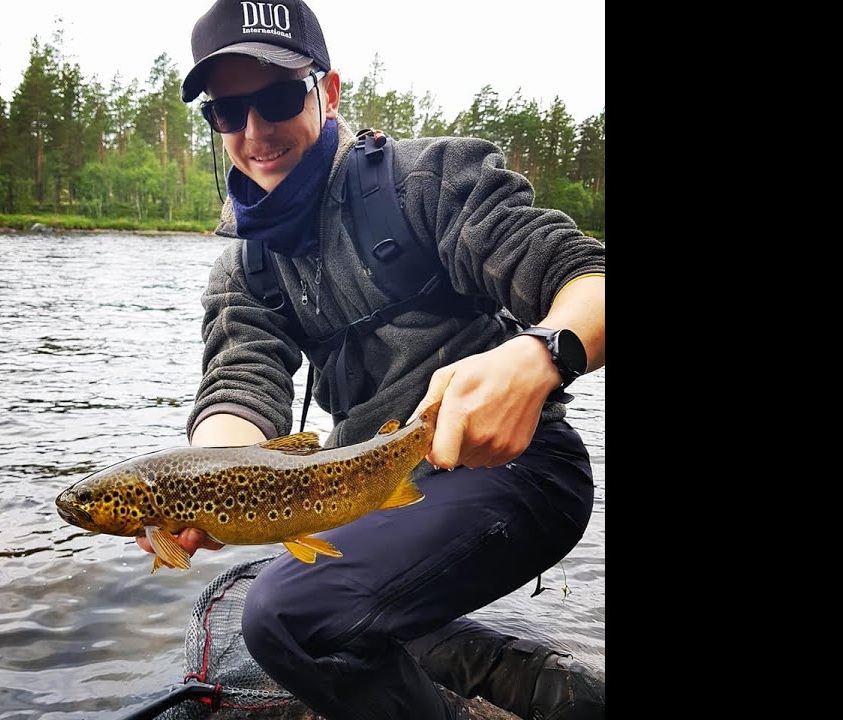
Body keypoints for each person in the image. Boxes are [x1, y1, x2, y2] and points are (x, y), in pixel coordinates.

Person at [136, 1, 606, 718]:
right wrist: (203, 487)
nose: (254, 132)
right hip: (366, 492)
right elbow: (239, 388)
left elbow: (586, 277)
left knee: (281, 617)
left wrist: (542, 353)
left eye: (276, 97)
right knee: (317, 596)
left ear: (327, 91)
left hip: (515, 470)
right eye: (227, 113)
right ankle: (533, 686)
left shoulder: (428, 181)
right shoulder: (246, 269)